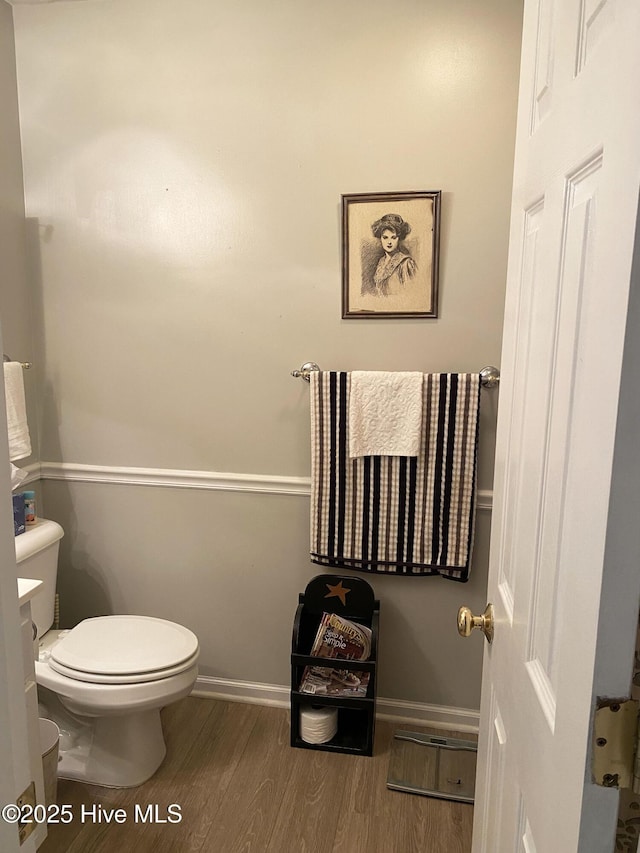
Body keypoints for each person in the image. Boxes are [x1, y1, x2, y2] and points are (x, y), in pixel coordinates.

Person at [370, 213, 417, 296]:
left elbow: (411, 295)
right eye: (385, 237)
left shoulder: (406, 263)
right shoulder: (381, 262)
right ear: (380, 238)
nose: (389, 242)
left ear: (399, 238)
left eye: (393, 237)